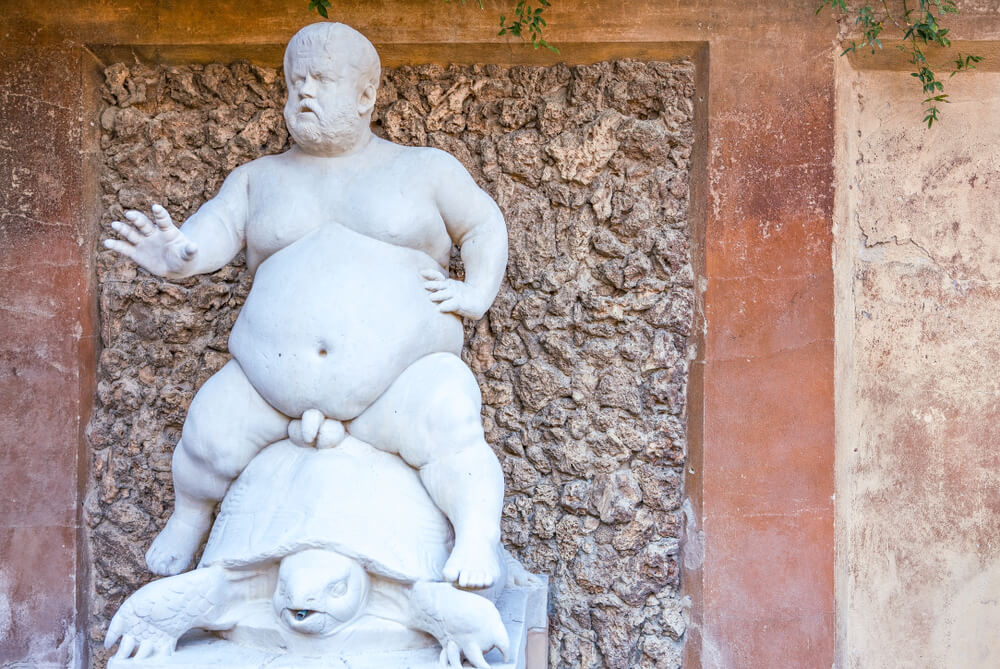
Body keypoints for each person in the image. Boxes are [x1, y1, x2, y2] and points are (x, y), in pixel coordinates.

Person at [104, 22, 509, 589]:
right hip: (266, 387)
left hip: (403, 383)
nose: (304, 94)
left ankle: (476, 536)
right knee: (208, 432)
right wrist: (179, 257)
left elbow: (484, 225)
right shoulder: (258, 179)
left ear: (366, 95)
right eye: (295, 82)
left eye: (321, 80)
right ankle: (189, 517)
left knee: (451, 424)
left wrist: (475, 293)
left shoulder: (425, 169)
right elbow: (212, 231)